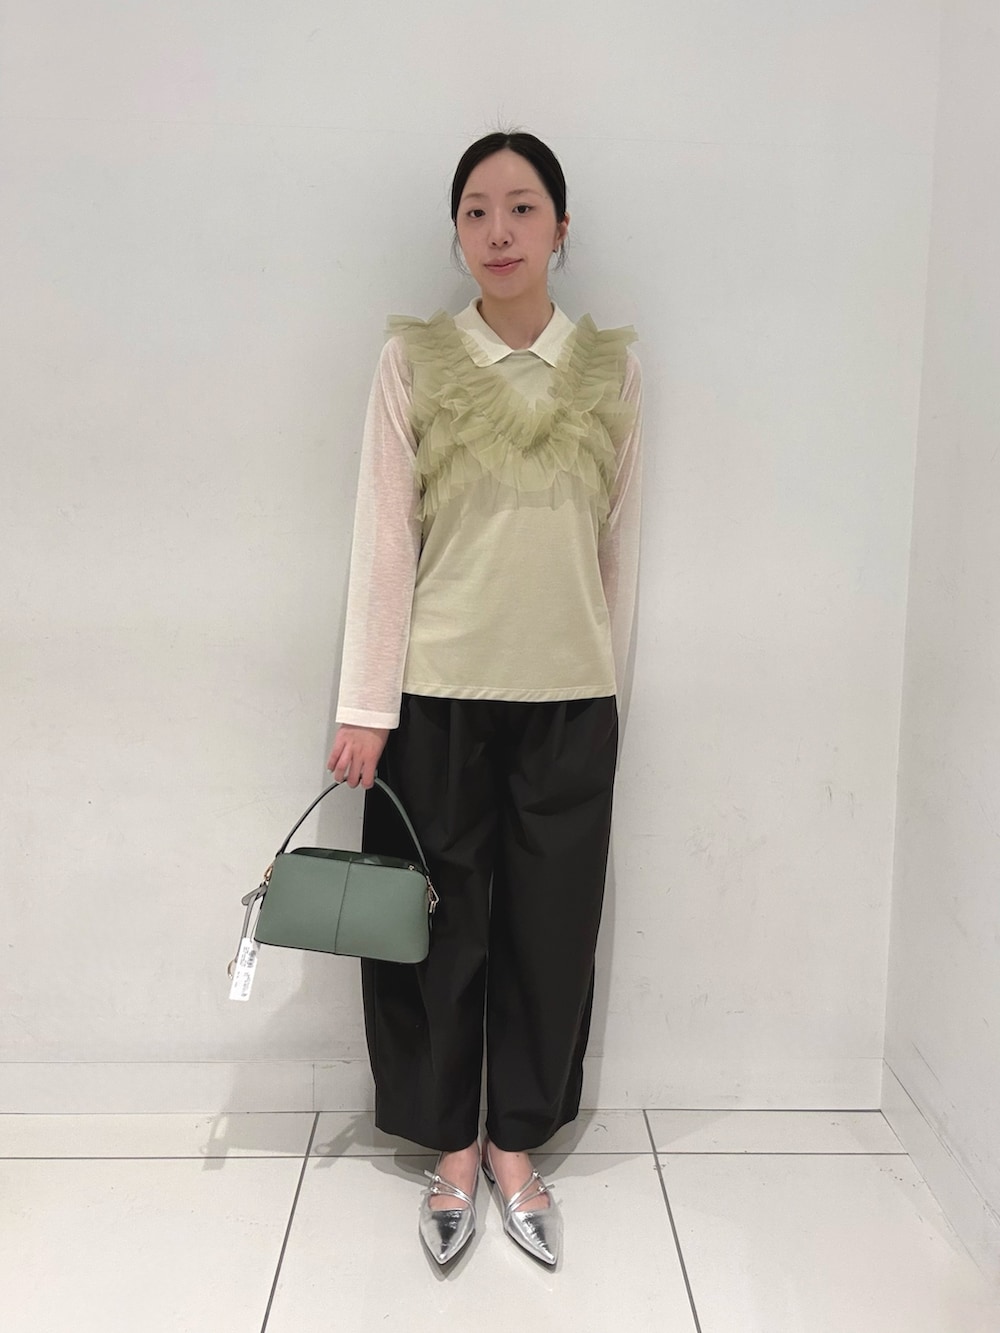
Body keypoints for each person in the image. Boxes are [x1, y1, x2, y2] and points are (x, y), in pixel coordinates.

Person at [325, 129, 643, 1267]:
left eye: (521, 208)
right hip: (437, 695)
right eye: (474, 211)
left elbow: (619, 541)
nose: (497, 232)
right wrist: (366, 704)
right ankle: (451, 1147)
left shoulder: (609, 370)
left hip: (570, 696)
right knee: (434, 934)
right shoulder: (414, 360)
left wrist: (613, 687)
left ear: (562, 227)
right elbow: (383, 534)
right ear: (455, 231)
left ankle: (516, 1145)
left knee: (551, 933)